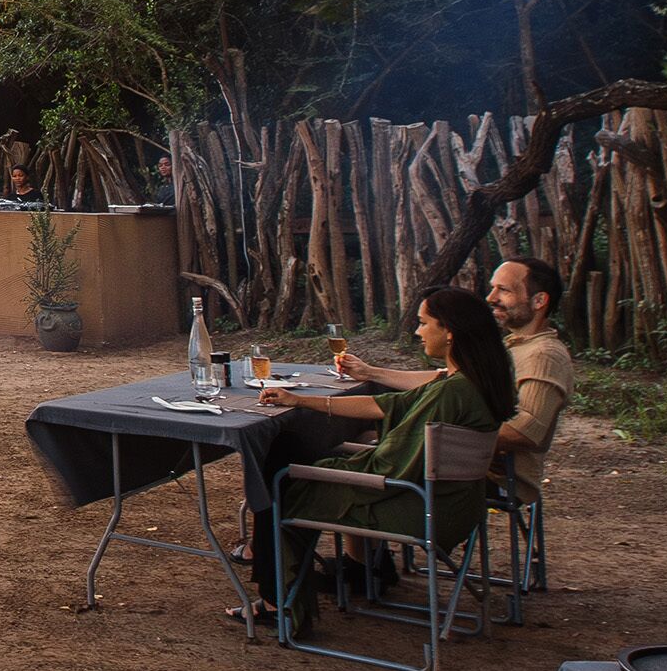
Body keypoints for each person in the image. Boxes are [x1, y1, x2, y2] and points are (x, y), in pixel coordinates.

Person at [241, 286, 517, 625]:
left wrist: (331, 465)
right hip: (457, 504)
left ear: (449, 332)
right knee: (296, 464)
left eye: (423, 322)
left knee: (281, 480)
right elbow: (385, 405)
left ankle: (278, 604)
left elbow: (389, 465)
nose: (417, 332)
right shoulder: (475, 381)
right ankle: (334, 577)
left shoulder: (451, 391)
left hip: (420, 509)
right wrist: (300, 401)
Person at [339, 257, 573, 501]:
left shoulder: (543, 355)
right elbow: (451, 381)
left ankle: (369, 527)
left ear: (539, 301)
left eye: (503, 290)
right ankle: (371, 533)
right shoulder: (515, 346)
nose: (491, 298)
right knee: (366, 447)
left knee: (359, 462)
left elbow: (526, 432)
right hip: (470, 467)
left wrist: (429, 438)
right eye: (493, 288)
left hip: (494, 479)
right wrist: (371, 373)